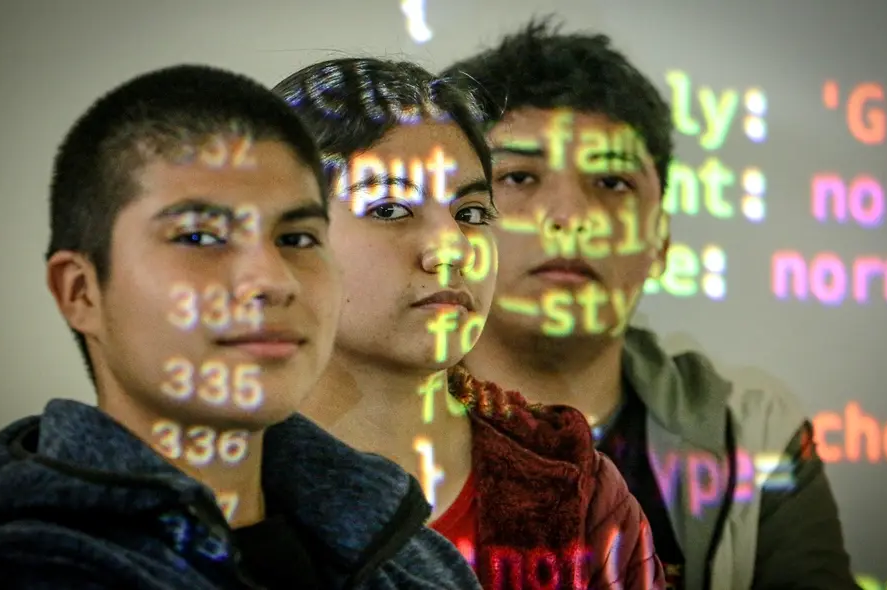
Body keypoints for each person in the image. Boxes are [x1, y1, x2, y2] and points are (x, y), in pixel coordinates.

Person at [0, 64, 482, 590]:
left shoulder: (406, 551)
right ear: (81, 292)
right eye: (200, 237)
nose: (271, 280)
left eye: (296, 238)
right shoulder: (39, 568)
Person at [442, 17, 860, 590]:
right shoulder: (368, 418)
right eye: (518, 177)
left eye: (612, 183)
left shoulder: (755, 433)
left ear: (660, 241)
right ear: (456, 227)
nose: (570, 218)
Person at [275, 57, 664, 590]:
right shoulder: (200, 478)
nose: (452, 247)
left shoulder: (573, 486)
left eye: (473, 213)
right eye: (390, 209)